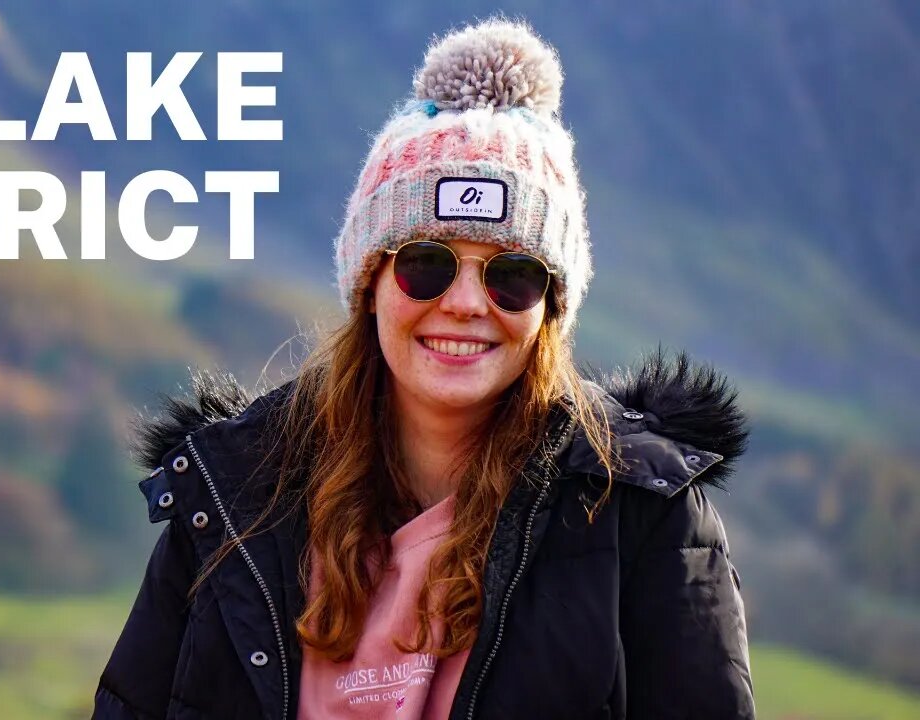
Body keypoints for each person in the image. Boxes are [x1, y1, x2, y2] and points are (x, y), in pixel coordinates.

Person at [93, 16, 755, 720]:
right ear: (370, 284)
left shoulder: (644, 518)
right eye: (426, 264)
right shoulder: (232, 501)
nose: (466, 304)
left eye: (513, 275)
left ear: (550, 308)